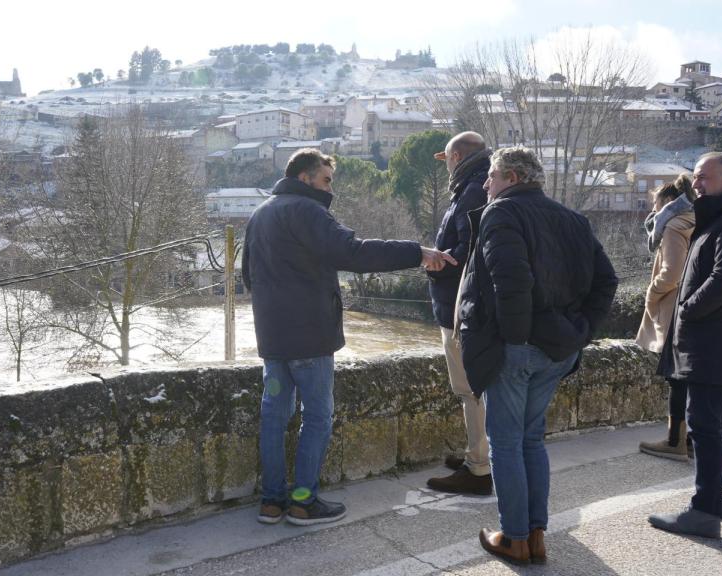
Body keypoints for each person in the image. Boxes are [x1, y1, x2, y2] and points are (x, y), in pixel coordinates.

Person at [242, 148, 455, 526]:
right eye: (326, 180)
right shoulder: (308, 211)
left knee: (274, 417)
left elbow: (247, 275)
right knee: (317, 418)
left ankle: (272, 502)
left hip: (272, 339)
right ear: (305, 178)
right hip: (310, 337)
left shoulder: (260, 214)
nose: (331, 189)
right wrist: (417, 252)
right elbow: (353, 253)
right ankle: (303, 502)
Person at [457, 147, 618, 564]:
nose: (486, 185)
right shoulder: (572, 219)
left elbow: (511, 282)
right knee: (531, 440)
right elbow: (607, 281)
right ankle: (535, 536)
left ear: (511, 177)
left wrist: (515, 338)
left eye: (491, 177)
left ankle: (514, 539)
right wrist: (581, 330)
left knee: (506, 443)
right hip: (558, 348)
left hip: (518, 349)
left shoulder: (502, 213)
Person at [649, 151, 722, 538]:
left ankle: (703, 511)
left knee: (703, 423)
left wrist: (688, 309)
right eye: (695, 176)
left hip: (713, 339)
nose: (695, 184)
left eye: (703, 177)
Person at [424, 132, 493, 495]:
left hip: (460, 307)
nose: (446, 166)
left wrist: (437, 262)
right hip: (466, 304)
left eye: (447, 159)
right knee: (476, 389)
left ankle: (479, 468)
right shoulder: (480, 184)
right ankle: (479, 457)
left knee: (470, 389)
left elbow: (470, 250)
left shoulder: (472, 191)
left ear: (456, 157)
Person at [635, 175, 696, 461]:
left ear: (669, 202)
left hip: (673, 309)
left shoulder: (673, 225)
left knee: (676, 376)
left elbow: (672, 272)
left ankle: (675, 441)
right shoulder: (695, 221)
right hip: (692, 309)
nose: (653, 210)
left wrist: (652, 293)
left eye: (655, 204)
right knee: (690, 377)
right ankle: (690, 439)